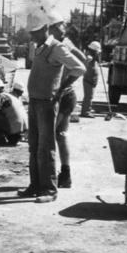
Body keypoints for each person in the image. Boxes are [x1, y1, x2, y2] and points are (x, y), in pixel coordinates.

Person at [22, 20, 85, 201]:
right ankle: (35, 185)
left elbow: (79, 68)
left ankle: (49, 190)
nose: (32, 36)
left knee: (46, 147)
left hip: (46, 103)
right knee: (33, 145)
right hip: (35, 102)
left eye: (34, 32)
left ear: (44, 29)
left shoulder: (56, 48)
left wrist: (62, 88)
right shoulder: (40, 47)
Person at [50, 20, 87, 189]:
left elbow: (82, 62)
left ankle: (51, 176)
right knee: (61, 135)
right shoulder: (62, 43)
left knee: (50, 136)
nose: (60, 30)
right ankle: (65, 174)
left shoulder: (62, 44)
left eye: (59, 27)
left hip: (63, 96)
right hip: (67, 95)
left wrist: (65, 83)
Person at [0, 78, 27, 147]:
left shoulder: (0, 96)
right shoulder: (9, 95)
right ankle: (11, 138)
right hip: (20, 128)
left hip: (15, 128)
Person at [80, 41, 102, 118]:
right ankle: (85, 112)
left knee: (90, 96)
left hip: (91, 80)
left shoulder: (93, 58)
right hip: (88, 80)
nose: (98, 53)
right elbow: (84, 65)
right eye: (97, 52)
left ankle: (87, 109)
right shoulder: (89, 57)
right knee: (88, 97)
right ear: (94, 51)